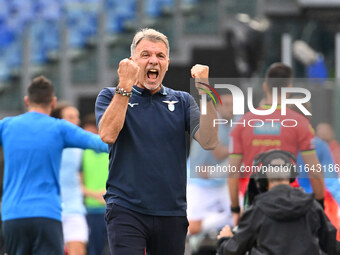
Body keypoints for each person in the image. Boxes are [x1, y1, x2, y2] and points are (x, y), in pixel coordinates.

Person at [95, 28, 218, 255]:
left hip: (171, 211)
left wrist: (206, 91)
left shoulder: (182, 100)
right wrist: (125, 85)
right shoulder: (110, 95)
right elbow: (108, 135)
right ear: (133, 61)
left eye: (160, 56)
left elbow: (210, 141)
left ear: (168, 63)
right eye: (146, 55)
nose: (154, 60)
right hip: (125, 208)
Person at [0, 76, 108, 255]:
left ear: (27, 100)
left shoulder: (7, 126)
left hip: (13, 215)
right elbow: (101, 143)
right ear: (53, 102)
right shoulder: (60, 128)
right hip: (46, 213)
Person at [228, 62, 325, 226]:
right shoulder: (299, 122)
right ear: (289, 88)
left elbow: (232, 173)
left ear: (265, 87)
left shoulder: (243, 123)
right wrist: (320, 204)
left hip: (254, 201)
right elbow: (315, 171)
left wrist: (236, 209)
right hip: (289, 201)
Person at [217, 150, 339, 255]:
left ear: (262, 179)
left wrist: (224, 239)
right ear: (291, 175)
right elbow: (332, 246)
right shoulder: (312, 206)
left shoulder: (257, 210)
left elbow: (233, 250)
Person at [187, 93, 234, 236]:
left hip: (220, 184)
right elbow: (218, 152)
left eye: (234, 105)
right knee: (193, 229)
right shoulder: (212, 122)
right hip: (197, 183)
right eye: (227, 105)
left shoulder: (235, 122)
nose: (231, 109)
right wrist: (241, 147)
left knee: (240, 218)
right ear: (217, 107)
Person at [51, 102, 89, 255]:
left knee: (78, 251)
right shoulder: (47, 144)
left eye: (77, 117)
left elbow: (80, 175)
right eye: (71, 117)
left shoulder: (81, 145)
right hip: (50, 208)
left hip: (74, 208)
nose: (76, 121)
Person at [81, 114, 109, 255]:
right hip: (91, 211)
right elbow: (75, 183)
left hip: (112, 210)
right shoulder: (81, 153)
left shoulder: (110, 150)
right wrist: (94, 194)